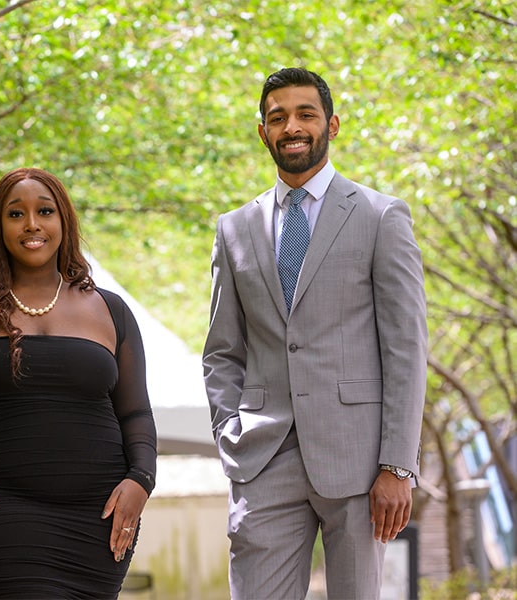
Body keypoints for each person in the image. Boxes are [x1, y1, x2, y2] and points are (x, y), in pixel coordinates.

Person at [202, 67, 427, 599]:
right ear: (263, 132)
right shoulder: (233, 229)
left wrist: (399, 465)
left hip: (361, 460)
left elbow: (405, 346)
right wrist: (228, 431)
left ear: (332, 124)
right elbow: (221, 350)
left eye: (306, 114)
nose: (292, 127)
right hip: (262, 455)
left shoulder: (380, 216)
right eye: (277, 117)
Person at [0, 167, 157, 599]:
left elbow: (135, 412)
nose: (32, 225)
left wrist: (141, 480)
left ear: (64, 222)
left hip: (95, 521)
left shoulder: (109, 310)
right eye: (15, 214)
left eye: (45, 211)